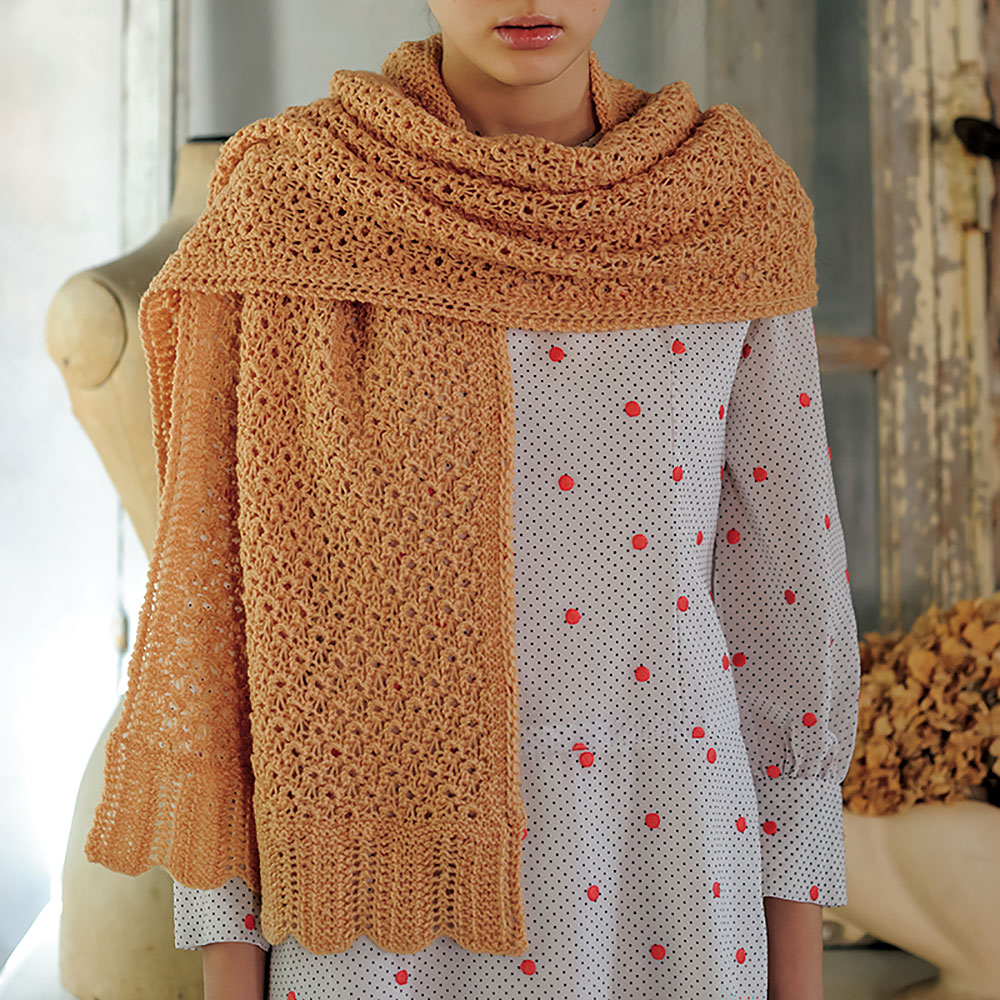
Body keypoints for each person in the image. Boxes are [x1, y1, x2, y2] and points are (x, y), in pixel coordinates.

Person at [87, 4, 861, 999]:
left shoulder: (726, 207)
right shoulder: (293, 206)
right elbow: (225, 649)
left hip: (674, 882)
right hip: (370, 921)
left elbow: (788, 620)